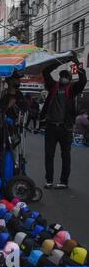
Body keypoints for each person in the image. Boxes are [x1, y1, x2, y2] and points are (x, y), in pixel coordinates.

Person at [40, 57, 87, 190]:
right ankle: (49, 180)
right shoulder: (53, 86)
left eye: (66, 77)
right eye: (62, 76)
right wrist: (59, 61)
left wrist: (77, 65)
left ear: (70, 79)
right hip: (51, 127)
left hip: (65, 128)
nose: (63, 78)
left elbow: (83, 80)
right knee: (49, 155)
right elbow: (45, 72)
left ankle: (63, 181)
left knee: (65, 155)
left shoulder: (72, 90)